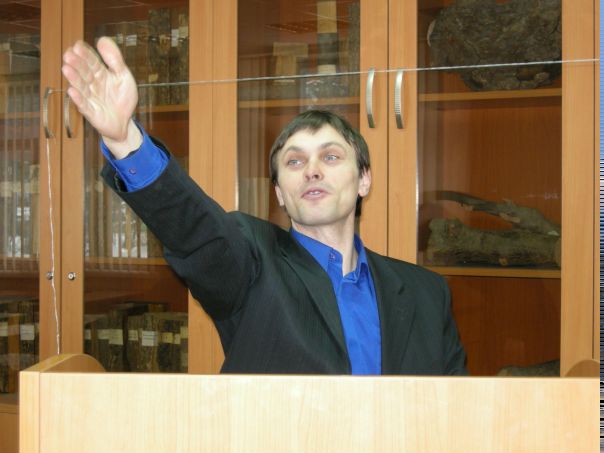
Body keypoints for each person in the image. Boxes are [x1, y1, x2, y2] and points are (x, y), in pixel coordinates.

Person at [62, 37, 467, 375]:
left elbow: (456, 412)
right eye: (295, 162)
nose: (312, 171)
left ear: (364, 180)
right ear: (279, 193)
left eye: (330, 157)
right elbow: (194, 229)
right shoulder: (252, 264)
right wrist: (126, 141)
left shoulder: (426, 293)